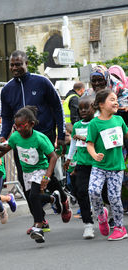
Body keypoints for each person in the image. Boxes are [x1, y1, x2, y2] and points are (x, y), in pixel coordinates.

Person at [0, 50, 71, 227]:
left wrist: (60, 136)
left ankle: (62, 198)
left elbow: (57, 107)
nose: (15, 67)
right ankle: (39, 220)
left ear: (26, 64)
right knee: (26, 180)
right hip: (21, 141)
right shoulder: (7, 89)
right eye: (12, 64)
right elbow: (7, 117)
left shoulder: (42, 82)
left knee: (49, 176)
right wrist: (3, 136)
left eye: (18, 64)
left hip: (44, 136)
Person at [0, 106, 64, 244]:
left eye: (23, 126)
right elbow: (6, 148)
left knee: (33, 196)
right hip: (27, 171)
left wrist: (47, 176)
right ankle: (52, 199)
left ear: (31, 124)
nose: (19, 129)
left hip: (40, 169)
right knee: (34, 199)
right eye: (17, 126)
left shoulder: (39, 138)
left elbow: (53, 157)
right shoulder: (16, 136)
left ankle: (38, 226)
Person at [87, 89, 128, 241]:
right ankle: (101, 216)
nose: (116, 102)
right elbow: (89, 145)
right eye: (112, 99)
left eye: (116, 99)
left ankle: (119, 228)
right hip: (99, 166)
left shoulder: (119, 120)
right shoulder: (94, 123)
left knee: (114, 196)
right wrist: (94, 155)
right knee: (93, 191)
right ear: (101, 105)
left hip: (117, 166)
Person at [64, 96, 95, 239]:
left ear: (94, 108)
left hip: (97, 163)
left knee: (98, 192)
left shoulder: (97, 123)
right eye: (80, 108)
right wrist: (69, 159)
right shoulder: (77, 126)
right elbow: (73, 145)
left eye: (86, 107)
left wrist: (85, 138)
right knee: (81, 191)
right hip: (82, 163)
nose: (83, 110)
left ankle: (101, 212)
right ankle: (88, 224)